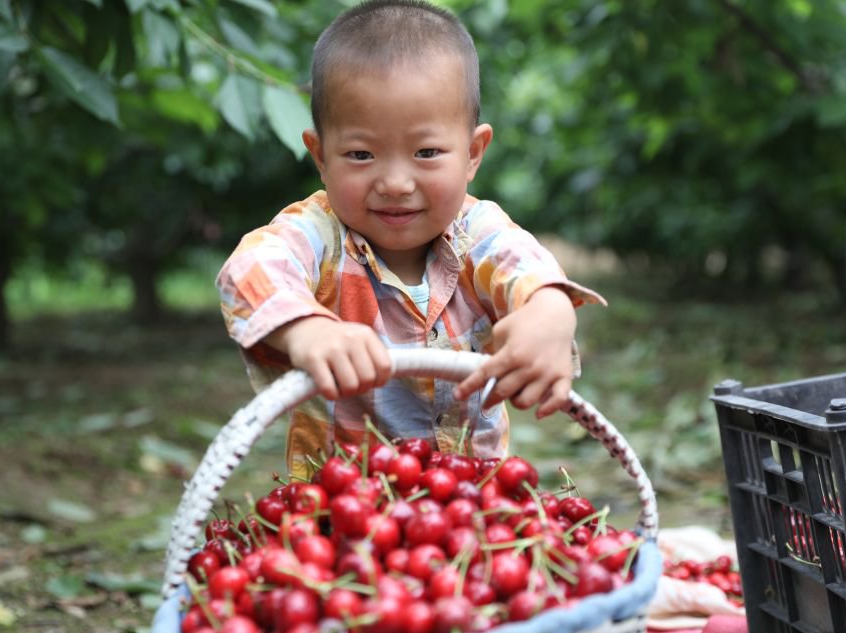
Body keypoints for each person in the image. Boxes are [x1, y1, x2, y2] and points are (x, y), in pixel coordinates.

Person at [216, 0, 605, 479]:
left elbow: (526, 268)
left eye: (426, 152)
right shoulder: (317, 235)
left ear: (472, 153)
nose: (396, 182)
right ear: (320, 156)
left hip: (467, 506)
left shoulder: (477, 232)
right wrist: (309, 331)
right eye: (360, 154)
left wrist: (550, 314)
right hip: (341, 513)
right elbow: (249, 270)